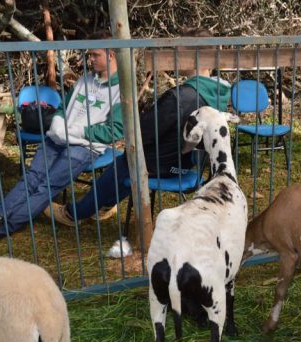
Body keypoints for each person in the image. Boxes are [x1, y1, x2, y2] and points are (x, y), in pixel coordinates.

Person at [44, 28, 231, 229]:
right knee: (127, 164)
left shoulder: (180, 97)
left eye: (179, 51)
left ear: (195, 57)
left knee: (125, 163)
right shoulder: (218, 93)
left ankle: (74, 214)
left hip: (161, 163)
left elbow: (143, 131)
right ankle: (104, 205)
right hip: (188, 163)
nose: (174, 56)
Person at [0, 31, 124, 244]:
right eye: (89, 54)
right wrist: (58, 122)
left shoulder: (121, 90)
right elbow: (62, 107)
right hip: (57, 138)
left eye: (95, 55)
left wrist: (78, 132)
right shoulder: (84, 81)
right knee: (31, 178)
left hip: (84, 147)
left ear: (111, 55)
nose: (90, 59)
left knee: (47, 186)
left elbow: (115, 130)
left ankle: (0, 228)